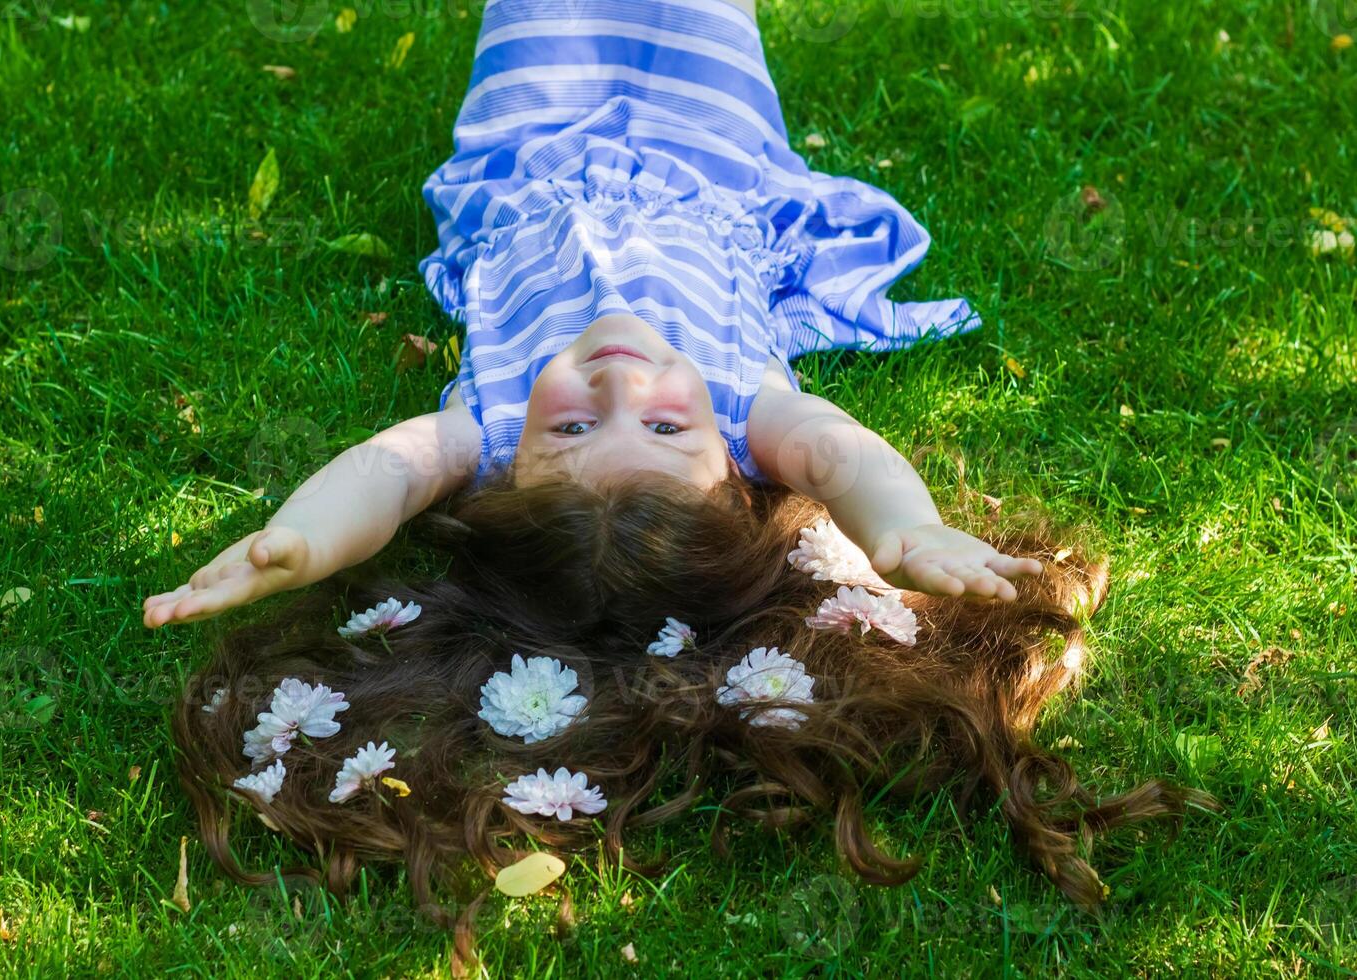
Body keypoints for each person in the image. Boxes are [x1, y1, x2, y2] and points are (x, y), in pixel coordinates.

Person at [155, 0, 1216, 956]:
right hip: (706, 146)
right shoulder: (753, 412)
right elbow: (842, 451)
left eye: (569, 422)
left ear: (510, 472)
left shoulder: (480, 427)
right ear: (733, 473)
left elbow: (387, 472)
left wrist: (301, 537)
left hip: (527, 141)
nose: (623, 382)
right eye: (667, 423)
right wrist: (903, 531)